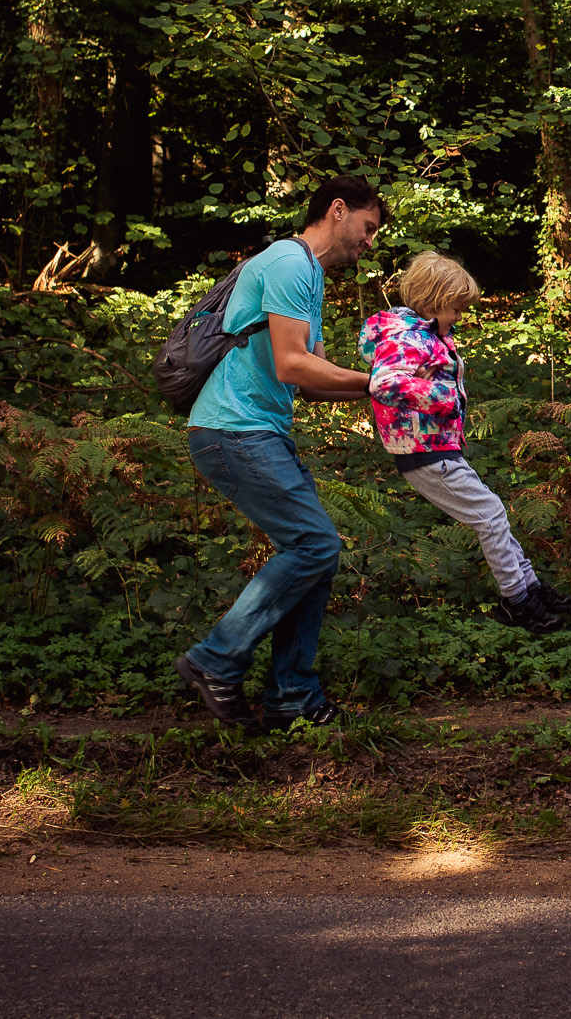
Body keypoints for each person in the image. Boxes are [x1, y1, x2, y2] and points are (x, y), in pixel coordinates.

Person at [173, 176, 387, 732]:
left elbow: (311, 382)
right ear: (338, 211)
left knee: (314, 553)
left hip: (257, 429)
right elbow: (294, 366)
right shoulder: (289, 263)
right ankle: (215, 659)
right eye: (367, 229)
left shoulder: (308, 274)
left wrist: (383, 386)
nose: (369, 244)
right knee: (314, 543)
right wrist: (381, 381)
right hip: (233, 429)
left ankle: (292, 694)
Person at [361, 251, 571, 632]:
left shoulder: (425, 334)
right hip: (421, 451)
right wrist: (444, 398)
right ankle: (518, 601)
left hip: (434, 447)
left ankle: (529, 587)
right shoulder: (408, 338)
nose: (460, 317)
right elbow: (384, 384)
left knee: (492, 513)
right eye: (456, 309)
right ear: (433, 301)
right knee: (490, 516)